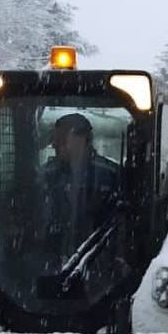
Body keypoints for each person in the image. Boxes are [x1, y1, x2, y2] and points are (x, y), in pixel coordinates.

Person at [41, 112, 121, 261]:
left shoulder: (110, 176)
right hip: (52, 260)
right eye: (55, 140)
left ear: (81, 139)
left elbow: (119, 226)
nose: (55, 145)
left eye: (62, 139)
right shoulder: (46, 175)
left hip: (96, 259)